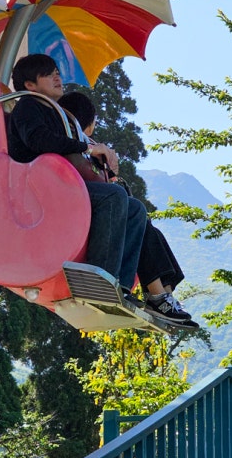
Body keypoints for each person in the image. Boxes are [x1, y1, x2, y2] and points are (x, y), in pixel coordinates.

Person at [8, 55, 192, 326]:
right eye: (50, 75)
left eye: (57, 72)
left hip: (60, 188)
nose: (58, 78)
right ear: (30, 85)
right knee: (114, 197)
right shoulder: (28, 107)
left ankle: (122, 285)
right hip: (40, 192)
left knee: (134, 208)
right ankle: (100, 277)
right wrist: (86, 147)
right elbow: (37, 139)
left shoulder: (52, 112)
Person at [58, 91, 194, 325]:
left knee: (143, 221)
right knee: (137, 217)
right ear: (89, 125)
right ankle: (159, 296)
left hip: (90, 206)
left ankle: (162, 294)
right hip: (84, 208)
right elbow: (92, 180)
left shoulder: (73, 141)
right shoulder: (75, 142)